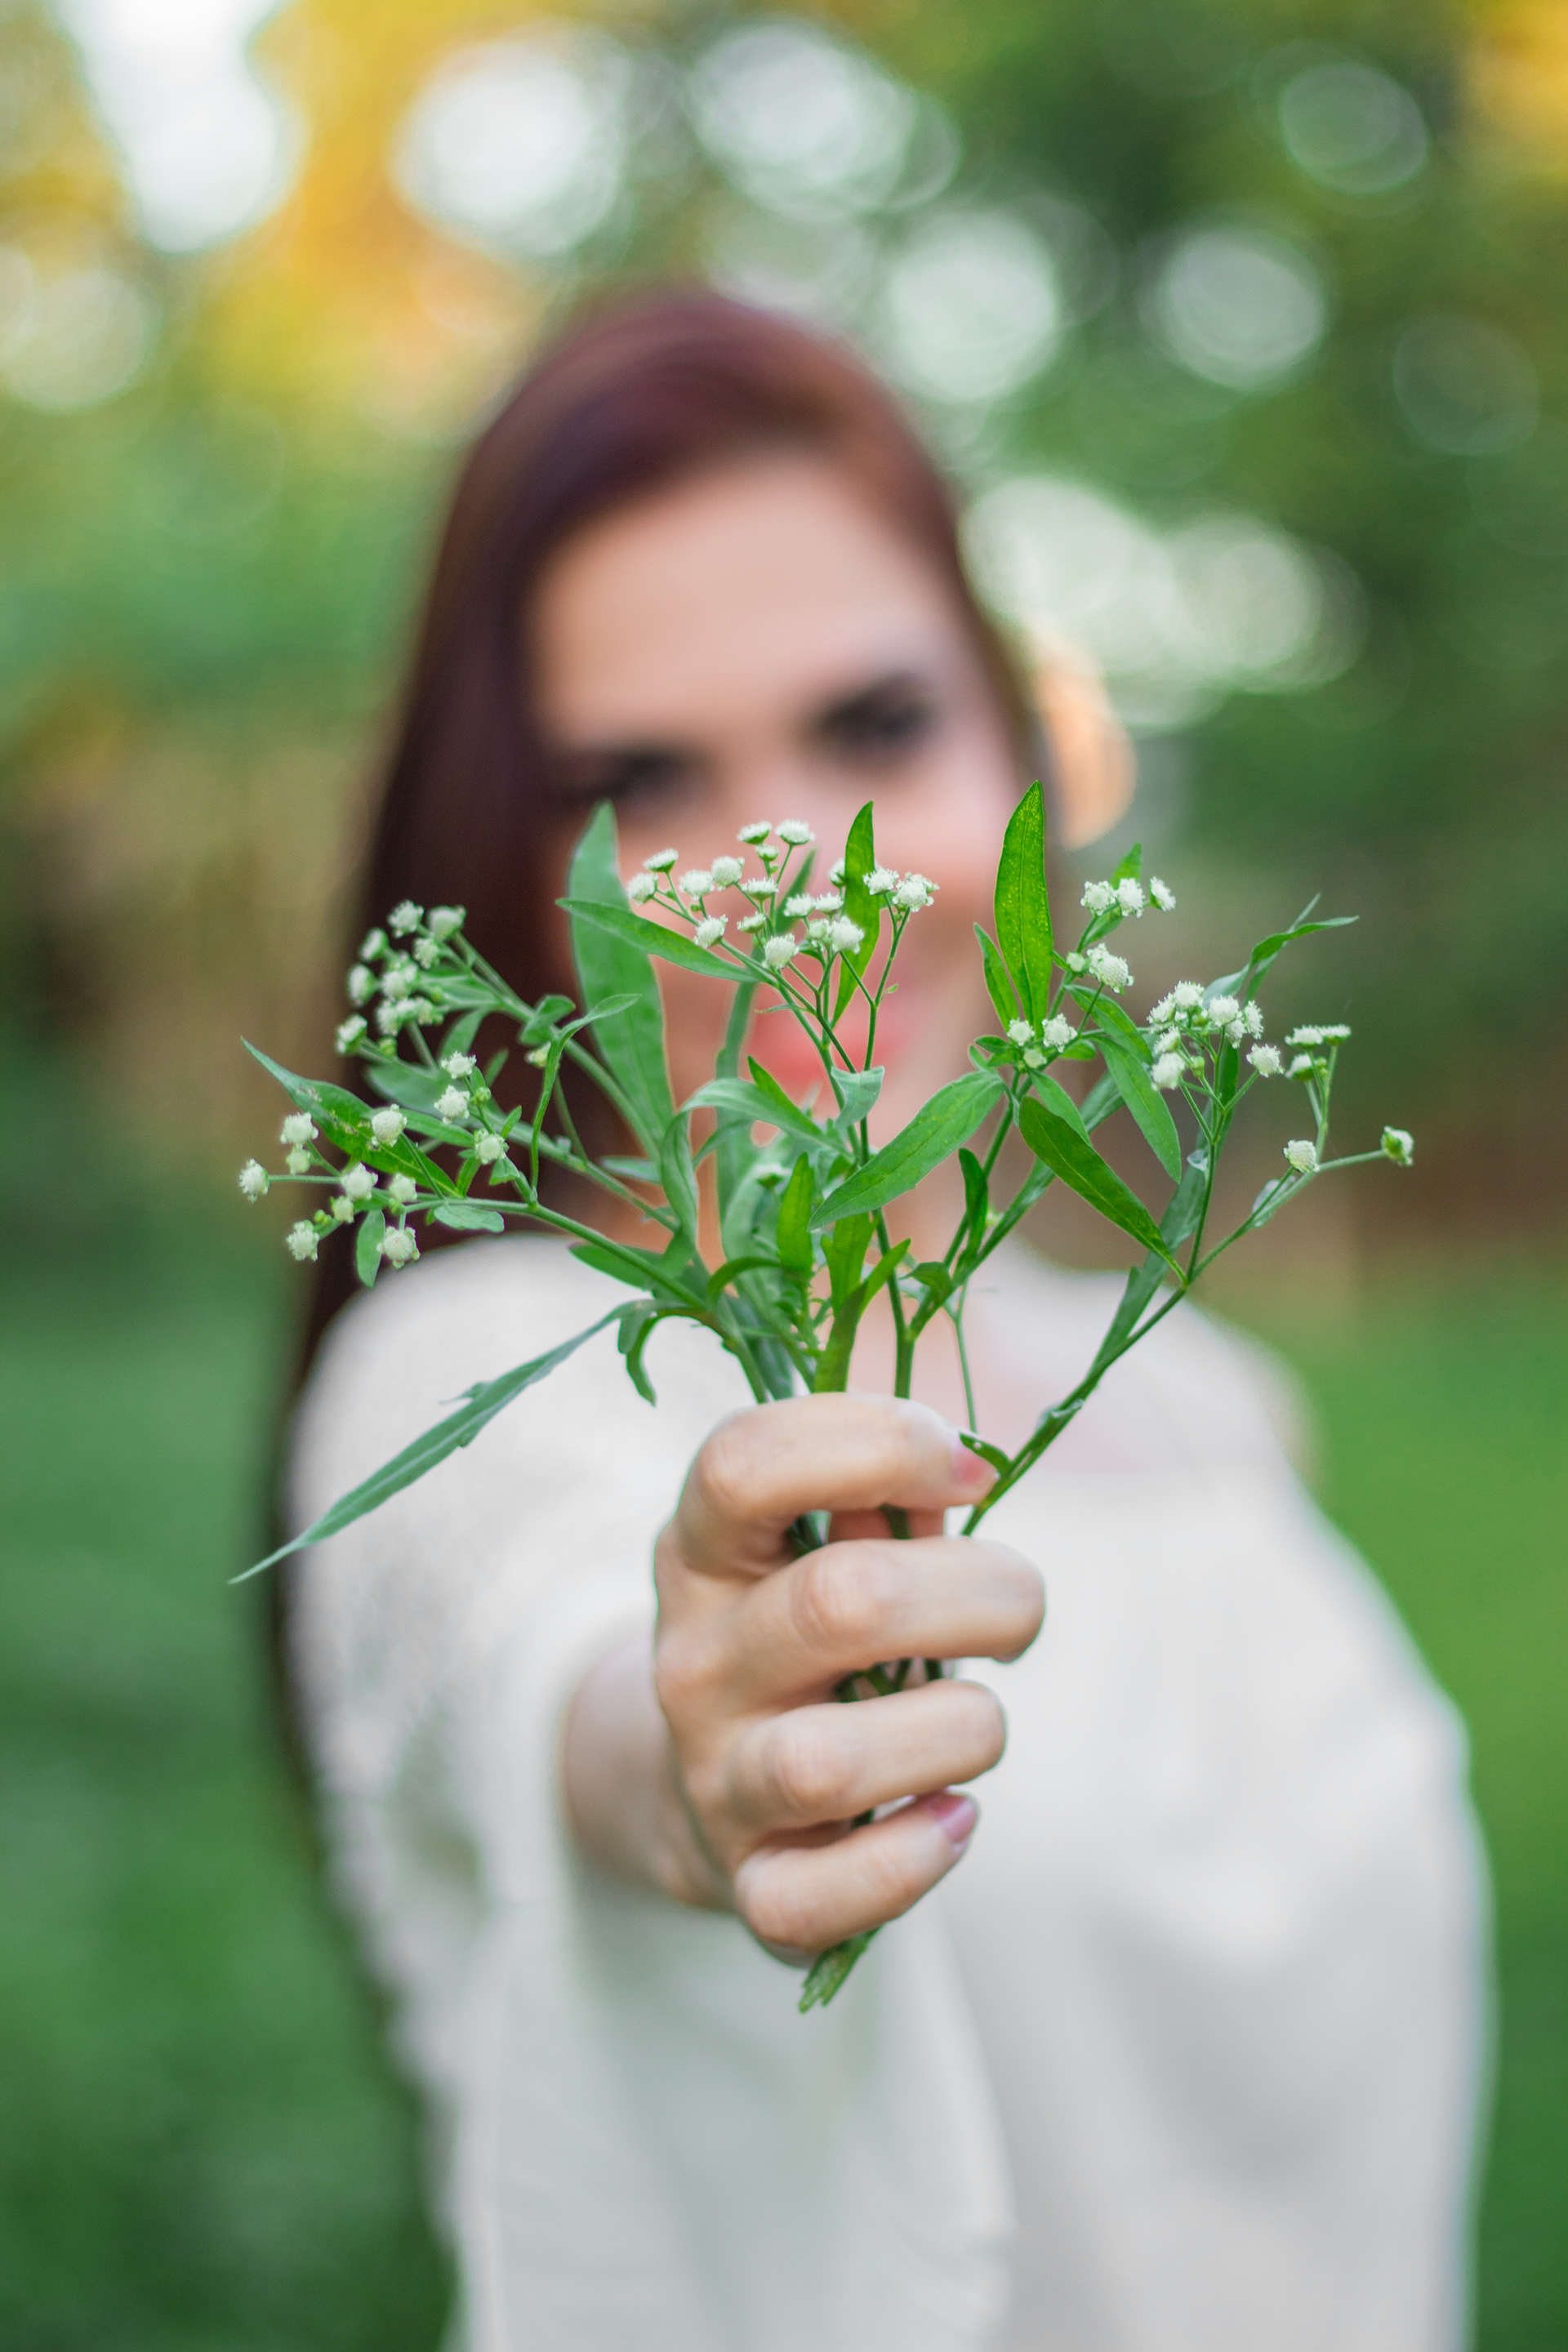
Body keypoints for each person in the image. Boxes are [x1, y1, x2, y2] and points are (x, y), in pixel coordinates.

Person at [281, 292, 1487, 2352]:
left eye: (874, 728)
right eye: (639, 780)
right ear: (512, 863)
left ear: (1018, 743)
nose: (795, 870)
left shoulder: (1208, 1400)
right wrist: (710, 1764)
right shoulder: (470, 1379)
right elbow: (603, 1687)